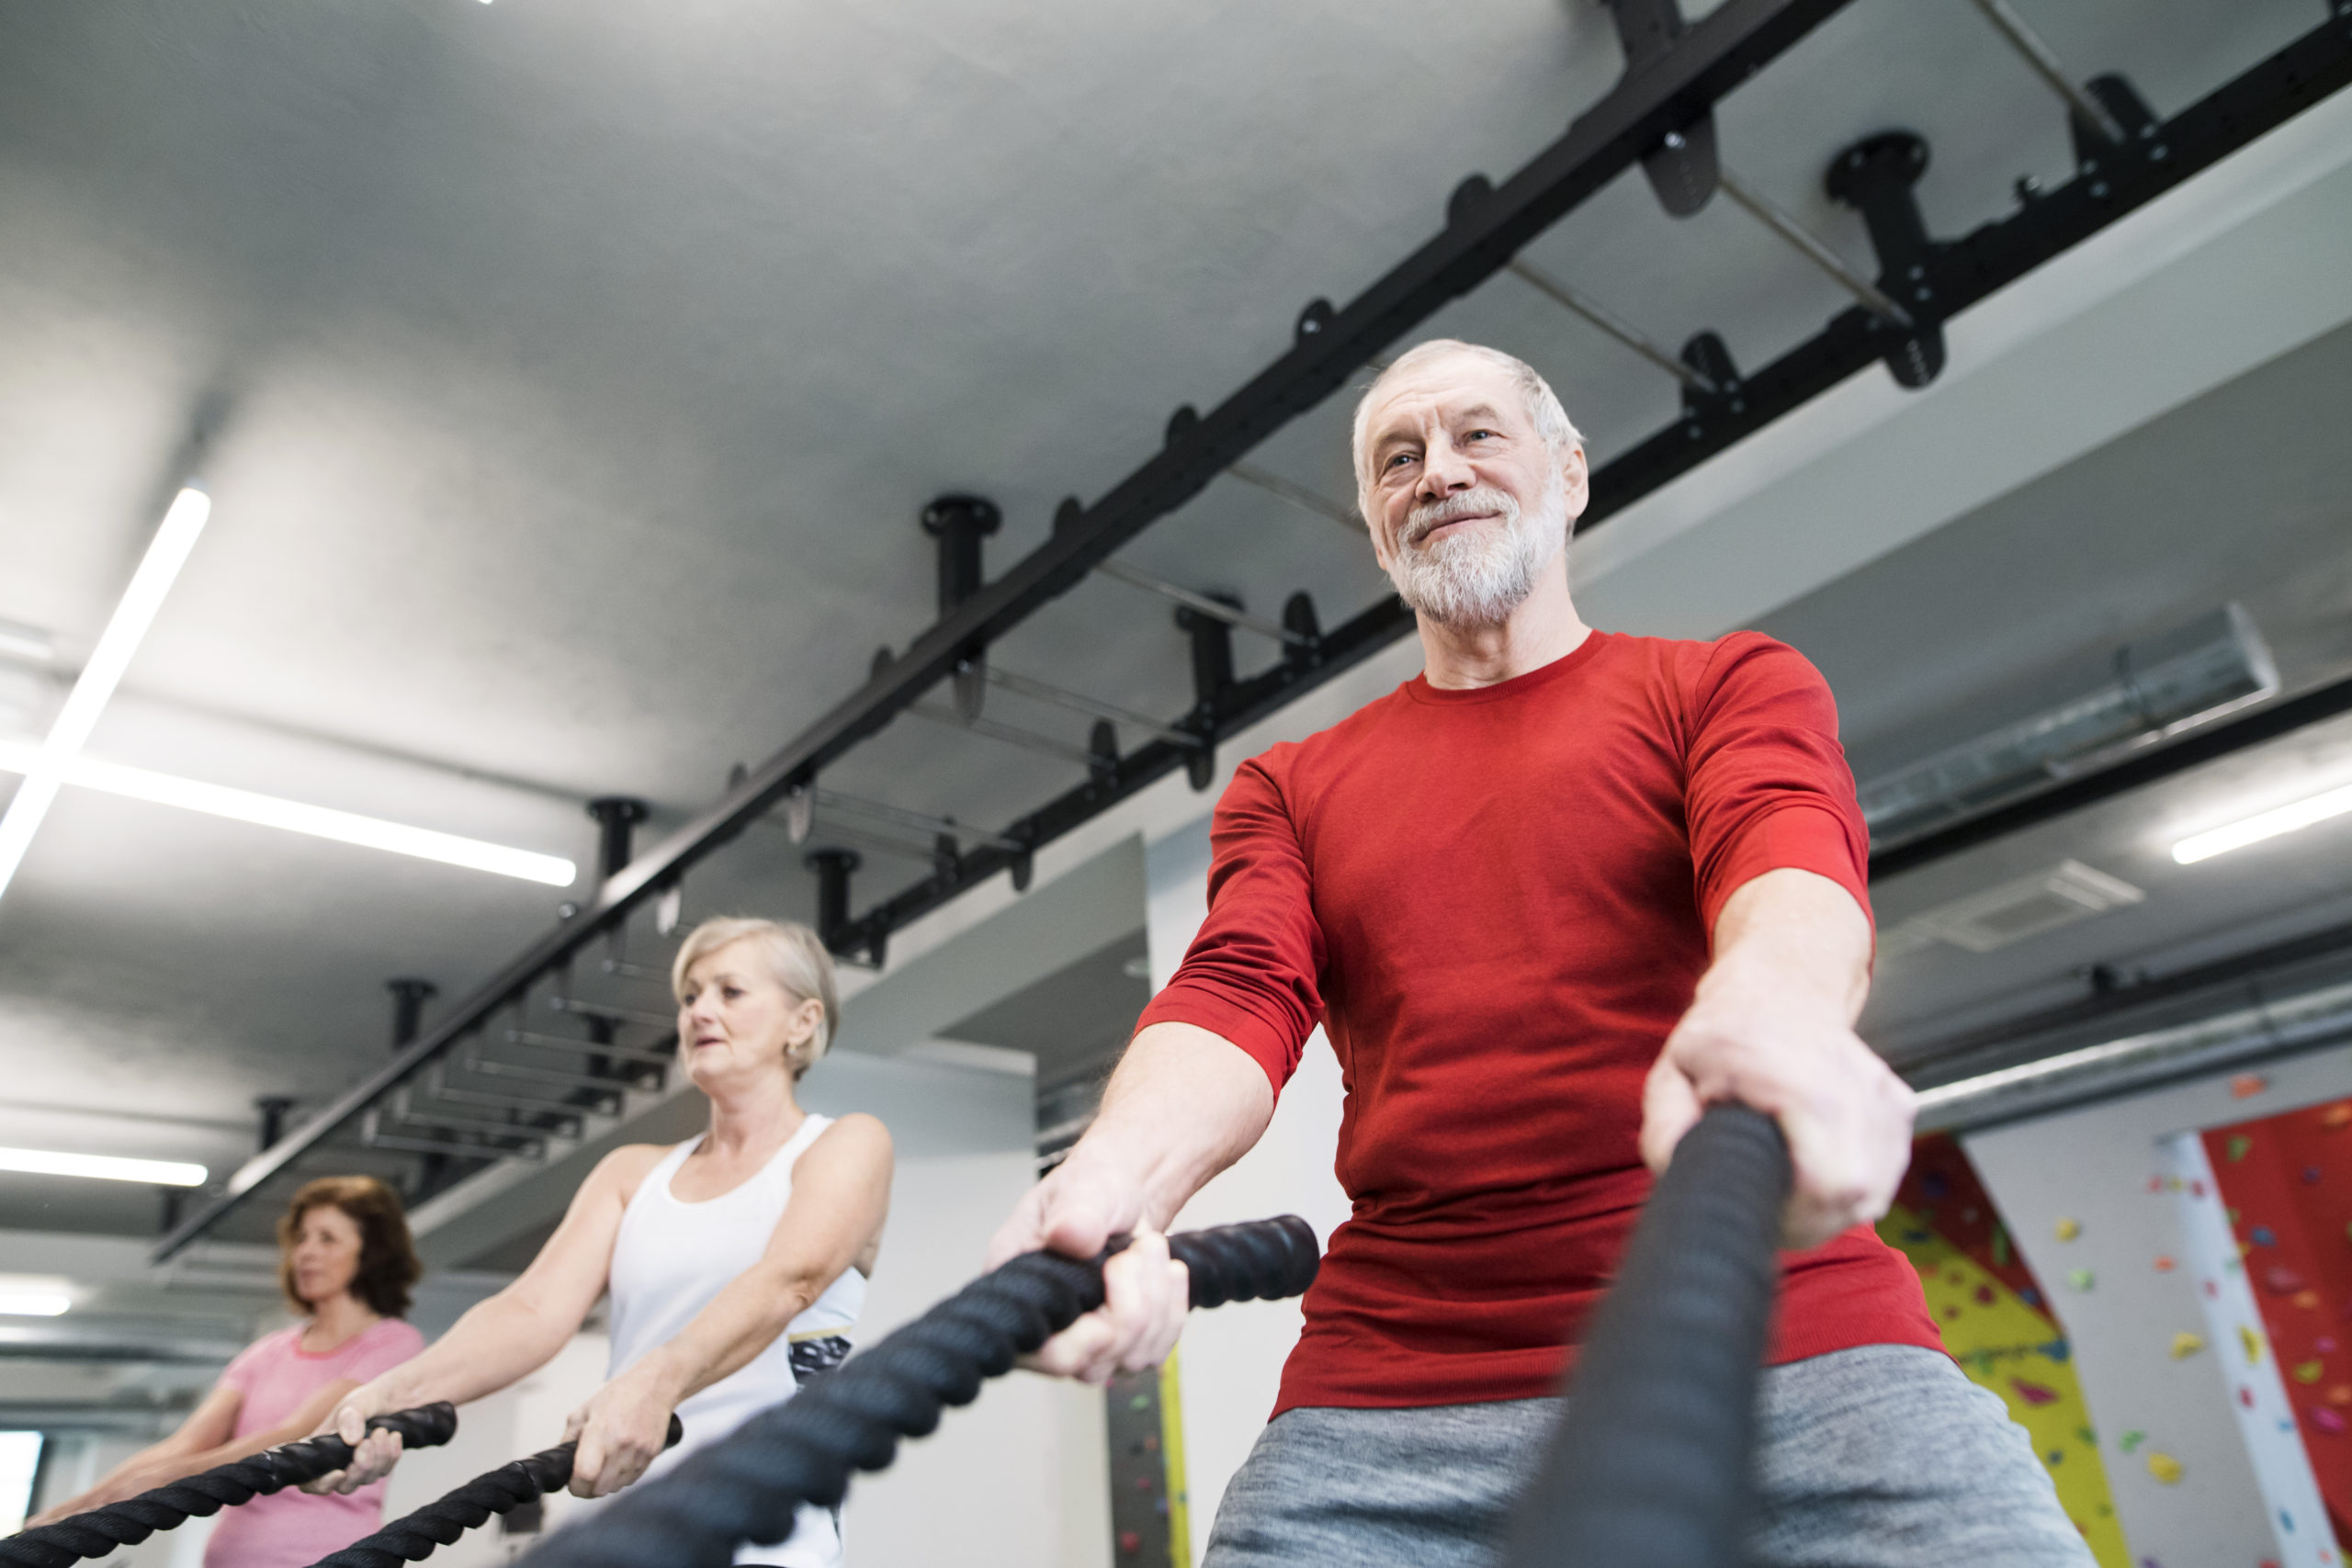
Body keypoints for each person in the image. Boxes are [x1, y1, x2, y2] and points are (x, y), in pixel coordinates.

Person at [989, 340, 2094, 1565]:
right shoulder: (1289, 786)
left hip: (1791, 1342)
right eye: (1397, 459)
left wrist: (1773, 1013)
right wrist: (1109, 1189)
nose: (1439, 471)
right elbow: (1237, 989)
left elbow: (1784, 858)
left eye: (1478, 435)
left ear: (1568, 471)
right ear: (1376, 531)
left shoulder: (1721, 682)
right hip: (1390, 1404)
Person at [312, 916, 891, 1568]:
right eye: (691, 995)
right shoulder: (632, 1173)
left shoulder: (844, 1144)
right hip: (620, 1525)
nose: (700, 1010)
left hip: (767, 1537)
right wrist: (394, 1392)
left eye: (730, 992)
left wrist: (658, 1380)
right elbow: (531, 1312)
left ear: (802, 1021)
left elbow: (792, 1278)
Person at [29, 1175, 426, 1568]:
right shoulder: (266, 1352)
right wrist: (76, 1508)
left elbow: (298, 1434)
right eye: (302, 1238)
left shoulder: (393, 1342)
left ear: (371, 1252)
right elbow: (185, 1443)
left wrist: (172, 1477)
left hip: (329, 1557)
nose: (305, 1252)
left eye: (327, 1238)